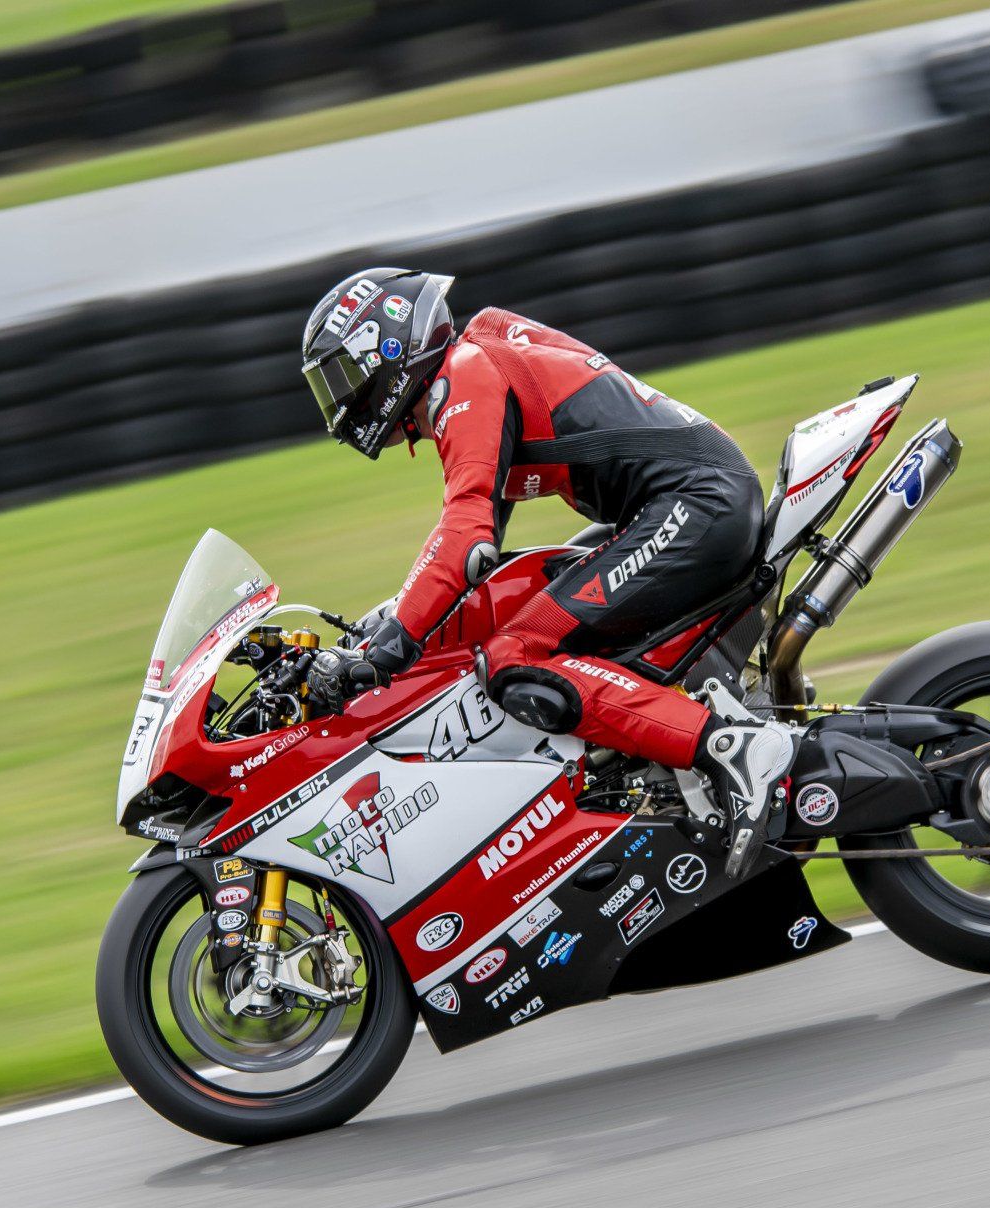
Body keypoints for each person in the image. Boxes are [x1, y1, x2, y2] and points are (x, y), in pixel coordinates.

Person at [299, 267, 794, 877]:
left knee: (517, 657)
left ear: (390, 348)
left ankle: (729, 749)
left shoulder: (465, 377)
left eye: (342, 375)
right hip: (683, 501)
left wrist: (385, 654)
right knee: (525, 607)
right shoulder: (473, 367)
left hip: (696, 503)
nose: (340, 398)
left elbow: (465, 536)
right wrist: (386, 625)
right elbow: (468, 546)